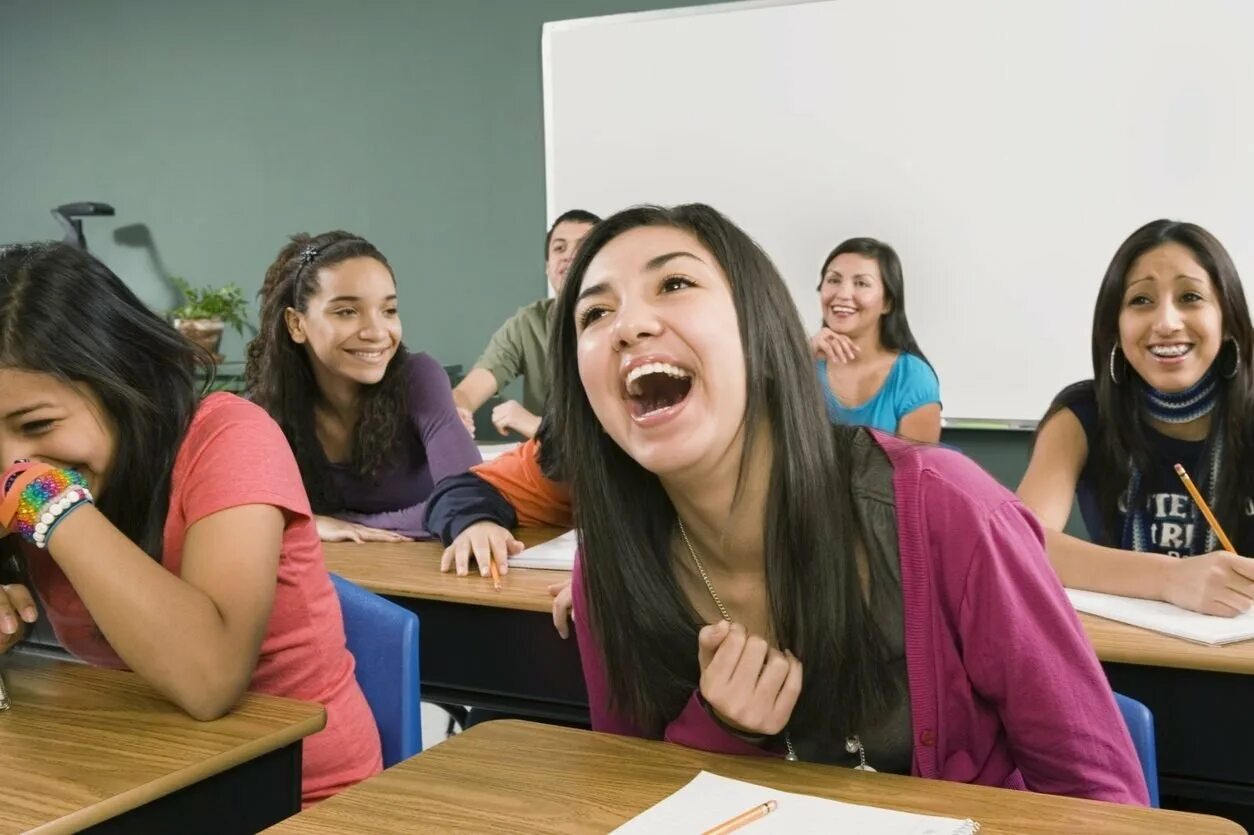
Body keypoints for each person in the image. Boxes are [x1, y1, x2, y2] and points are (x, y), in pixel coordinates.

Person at [547, 203, 1146, 801]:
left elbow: (1105, 802)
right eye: (595, 313)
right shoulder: (608, 565)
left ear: (761, 329)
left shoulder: (950, 508)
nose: (629, 325)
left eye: (674, 283)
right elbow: (628, 800)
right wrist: (720, 727)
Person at [0, 242, 381, 803]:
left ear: (121, 383)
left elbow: (209, 679)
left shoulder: (229, 437)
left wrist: (43, 501)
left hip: (300, 796)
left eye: (37, 424)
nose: (13, 461)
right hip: (132, 774)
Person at [1018, 220, 1254, 616]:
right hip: (1121, 659)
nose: (1165, 323)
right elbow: (1020, 540)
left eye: (1191, 296)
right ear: (1116, 327)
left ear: (1227, 320)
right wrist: (1167, 578)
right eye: (1141, 301)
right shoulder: (1081, 414)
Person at [247, 231, 480, 542]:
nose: (376, 332)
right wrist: (311, 524)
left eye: (389, 310)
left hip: (429, 573)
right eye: (347, 311)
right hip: (331, 575)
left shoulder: (419, 377)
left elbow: (469, 498)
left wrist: (319, 523)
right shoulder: (262, 411)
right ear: (296, 324)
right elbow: (241, 514)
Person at [452, 210, 600, 439]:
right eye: (559, 248)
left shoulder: (623, 324)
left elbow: (613, 439)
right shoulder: (529, 323)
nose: (569, 255)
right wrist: (456, 411)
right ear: (547, 267)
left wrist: (536, 426)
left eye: (583, 246)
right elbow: (468, 392)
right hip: (541, 467)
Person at [811, 238, 941, 441]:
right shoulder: (804, 361)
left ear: (887, 303)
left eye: (861, 283)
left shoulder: (912, 377)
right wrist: (797, 359)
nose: (843, 294)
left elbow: (914, 470)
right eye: (834, 280)